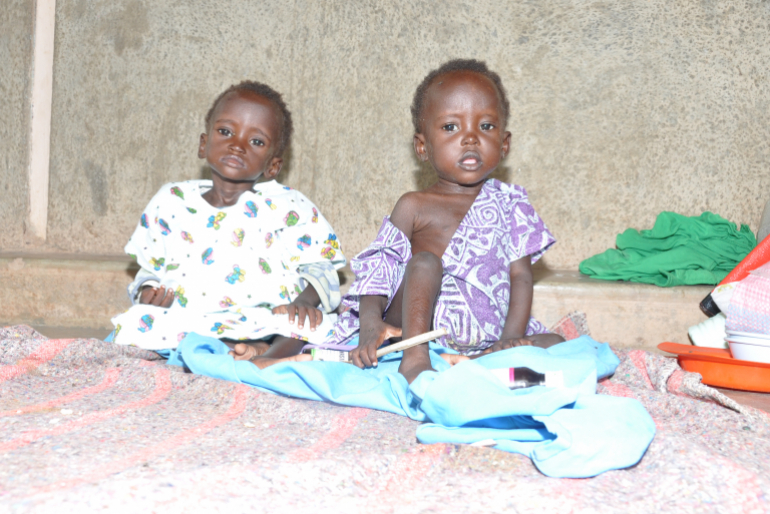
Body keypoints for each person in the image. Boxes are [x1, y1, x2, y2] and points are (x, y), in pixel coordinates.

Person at [326, 59, 564, 383]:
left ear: (504, 144)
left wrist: (509, 339)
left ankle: (481, 361)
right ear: (422, 146)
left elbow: (521, 277)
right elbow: (379, 271)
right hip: (414, 329)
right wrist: (370, 324)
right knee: (425, 263)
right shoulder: (414, 205)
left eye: (486, 126)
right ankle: (414, 361)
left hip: (486, 335)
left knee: (556, 343)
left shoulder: (511, 204)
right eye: (451, 127)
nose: (470, 138)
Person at [111, 81, 345, 368]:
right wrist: (148, 291)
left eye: (256, 141)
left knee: (313, 325)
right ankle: (236, 350)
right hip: (191, 317)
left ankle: (267, 355)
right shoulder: (172, 200)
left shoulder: (288, 205)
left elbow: (322, 268)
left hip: (268, 318)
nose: (238, 145)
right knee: (137, 322)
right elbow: (151, 268)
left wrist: (305, 302)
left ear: (273, 165)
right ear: (203, 143)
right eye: (225, 132)